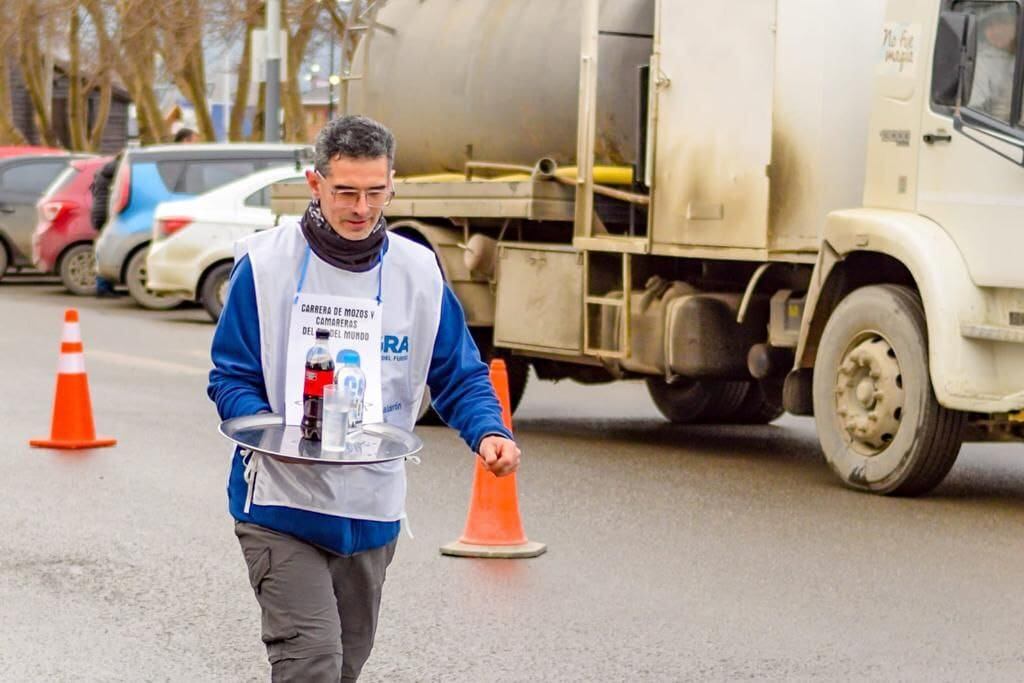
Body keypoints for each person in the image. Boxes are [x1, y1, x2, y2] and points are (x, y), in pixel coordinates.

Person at [207, 115, 521, 682]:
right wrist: (268, 431)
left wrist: (490, 432)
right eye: (345, 192)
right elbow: (230, 376)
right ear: (315, 184)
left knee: (345, 667)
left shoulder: (419, 271)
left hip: (372, 511)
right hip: (283, 503)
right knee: (313, 665)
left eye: (376, 192)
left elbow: (458, 373)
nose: (361, 207)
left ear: (392, 184)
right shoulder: (266, 264)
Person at [969, 5, 1018, 122]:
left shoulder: (1017, 56)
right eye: (989, 25)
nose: (995, 31)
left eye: (1002, 22)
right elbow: (975, 112)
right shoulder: (980, 62)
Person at [89, 155, 121, 297]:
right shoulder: (117, 170)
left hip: (98, 213)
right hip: (105, 214)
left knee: (102, 249)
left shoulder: (104, 171)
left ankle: (103, 285)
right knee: (104, 250)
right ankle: (102, 286)